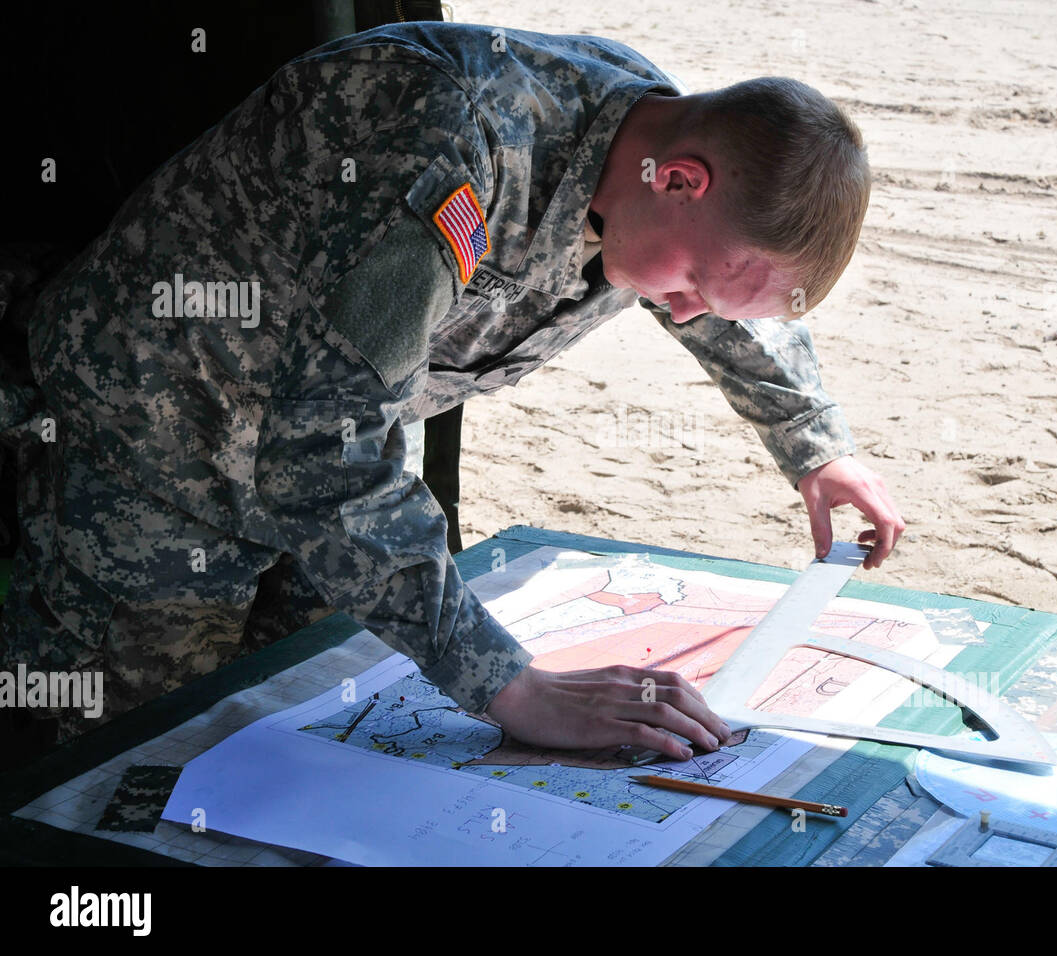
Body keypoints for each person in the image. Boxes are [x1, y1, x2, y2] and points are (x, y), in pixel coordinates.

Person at [0, 21, 904, 768]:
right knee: (140, 754)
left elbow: (730, 294)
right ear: (678, 180)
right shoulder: (446, 147)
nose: (686, 314)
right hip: (154, 439)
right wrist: (515, 688)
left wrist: (816, 446)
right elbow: (327, 444)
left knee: (321, 726)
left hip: (308, 466)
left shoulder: (649, 152)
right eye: (690, 287)